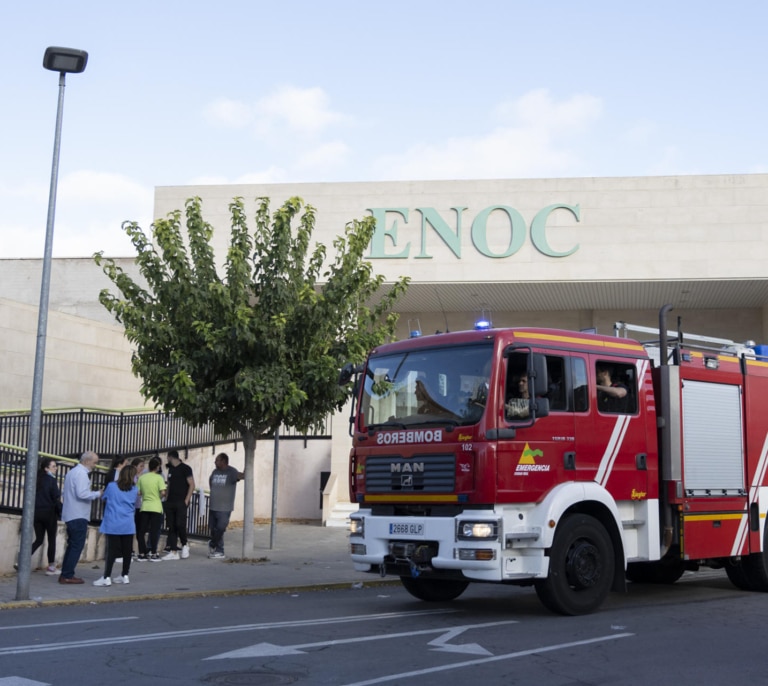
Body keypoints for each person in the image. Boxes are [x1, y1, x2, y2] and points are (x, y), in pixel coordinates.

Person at [59, 451, 103, 584]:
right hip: (78, 514)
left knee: (72, 545)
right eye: (94, 462)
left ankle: (65, 573)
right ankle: (67, 575)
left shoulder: (72, 472)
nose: (95, 465)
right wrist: (98, 493)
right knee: (76, 546)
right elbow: (82, 494)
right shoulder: (81, 474)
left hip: (71, 513)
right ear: (87, 461)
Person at [93, 465, 137, 587]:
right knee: (127, 551)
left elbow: (104, 497)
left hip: (113, 522)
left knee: (111, 551)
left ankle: (106, 576)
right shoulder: (134, 489)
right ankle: (125, 575)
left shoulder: (112, 486)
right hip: (128, 523)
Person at [29, 458, 62, 575]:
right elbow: (55, 496)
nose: (56, 468)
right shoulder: (51, 480)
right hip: (49, 514)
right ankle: (51, 567)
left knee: (38, 539)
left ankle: (22, 560)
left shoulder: (36, 479)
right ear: (46, 468)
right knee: (51, 540)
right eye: (53, 466)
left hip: (36, 513)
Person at [208, 453, 243, 559]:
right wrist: (214, 491)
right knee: (213, 528)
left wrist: (248, 464)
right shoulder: (215, 471)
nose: (215, 462)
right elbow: (210, 480)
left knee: (221, 527)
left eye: (217, 460)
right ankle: (218, 550)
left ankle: (215, 546)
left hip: (224, 507)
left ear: (223, 461)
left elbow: (242, 476)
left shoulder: (231, 472)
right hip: (213, 505)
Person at [162, 450, 195, 560]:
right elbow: (169, 484)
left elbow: (191, 484)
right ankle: (173, 551)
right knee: (171, 526)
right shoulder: (171, 469)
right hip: (170, 501)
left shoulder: (186, 468)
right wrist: (166, 497)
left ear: (170, 457)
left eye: (168, 458)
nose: (167, 460)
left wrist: (187, 499)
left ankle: (184, 544)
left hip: (181, 501)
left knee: (180, 524)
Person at [135, 457, 166, 562]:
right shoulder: (159, 478)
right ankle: (153, 553)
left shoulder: (142, 478)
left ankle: (142, 553)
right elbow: (163, 493)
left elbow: (138, 492)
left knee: (141, 531)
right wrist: (158, 497)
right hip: (156, 507)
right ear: (157, 467)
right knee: (154, 531)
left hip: (144, 507)